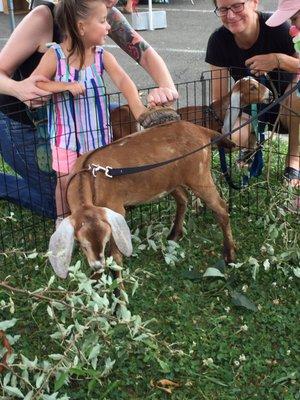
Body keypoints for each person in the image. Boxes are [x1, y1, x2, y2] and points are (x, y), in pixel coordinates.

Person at [0, 0, 178, 218]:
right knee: (70, 199)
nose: (115, 3)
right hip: (22, 122)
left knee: (97, 188)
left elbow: (143, 55)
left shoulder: (103, 15)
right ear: (81, 25)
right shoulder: (44, 18)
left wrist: (166, 89)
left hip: (81, 116)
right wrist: (19, 89)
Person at [31, 0, 147, 222]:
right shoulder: (54, 55)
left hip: (97, 138)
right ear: (82, 27)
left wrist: (138, 108)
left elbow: (123, 80)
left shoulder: (102, 56)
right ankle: (63, 222)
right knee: (65, 182)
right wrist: (64, 86)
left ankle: (98, 219)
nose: (108, 27)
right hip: (65, 140)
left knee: (97, 180)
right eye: (103, 21)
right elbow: (37, 84)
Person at [205, 0, 299, 187]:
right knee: (231, 137)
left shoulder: (280, 28)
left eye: (237, 6)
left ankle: (294, 162)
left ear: (255, 3)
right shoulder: (218, 41)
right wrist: (225, 129)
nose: (231, 15)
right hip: (252, 110)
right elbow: (219, 99)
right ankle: (250, 146)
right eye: (223, 9)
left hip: (287, 108)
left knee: (299, 95)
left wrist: (278, 60)